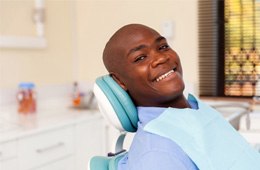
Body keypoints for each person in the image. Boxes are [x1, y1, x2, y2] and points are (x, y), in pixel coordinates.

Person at [102, 24, 260, 170]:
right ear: (120, 81)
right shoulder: (157, 153)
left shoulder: (195, 109)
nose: (161, 58)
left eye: (163, 47)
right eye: (140, 58)